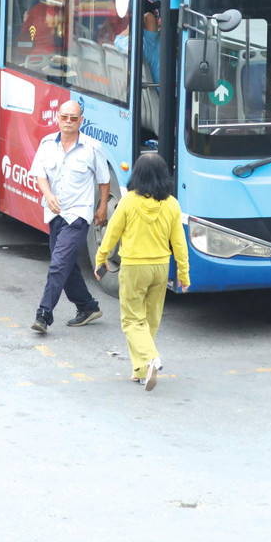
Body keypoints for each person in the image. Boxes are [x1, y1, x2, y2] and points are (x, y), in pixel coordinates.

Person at [94, 154, 190, 391]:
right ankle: (140, 370)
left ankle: (150, 357)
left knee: (131, 320)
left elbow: (112, 232)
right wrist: (183, 273)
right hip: (160, 268)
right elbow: (179, 243)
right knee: (150, 320)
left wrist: (101, 257)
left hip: (134, 267)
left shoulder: (128, 202)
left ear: (137, 175)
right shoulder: (172, 204)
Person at [29, 99, 109, 334]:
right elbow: (40, 174)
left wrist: (103, 207)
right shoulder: (47, 144)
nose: (68, 122)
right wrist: (48, 195)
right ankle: (87, 306)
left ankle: (44, 314)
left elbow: (104, 180)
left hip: (78, 216)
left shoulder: (92, 147)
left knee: (58, 266)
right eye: (64, 117)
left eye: (73, 118)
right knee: (67, 265)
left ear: (81, 121)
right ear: (57, 118)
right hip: (55, 214)